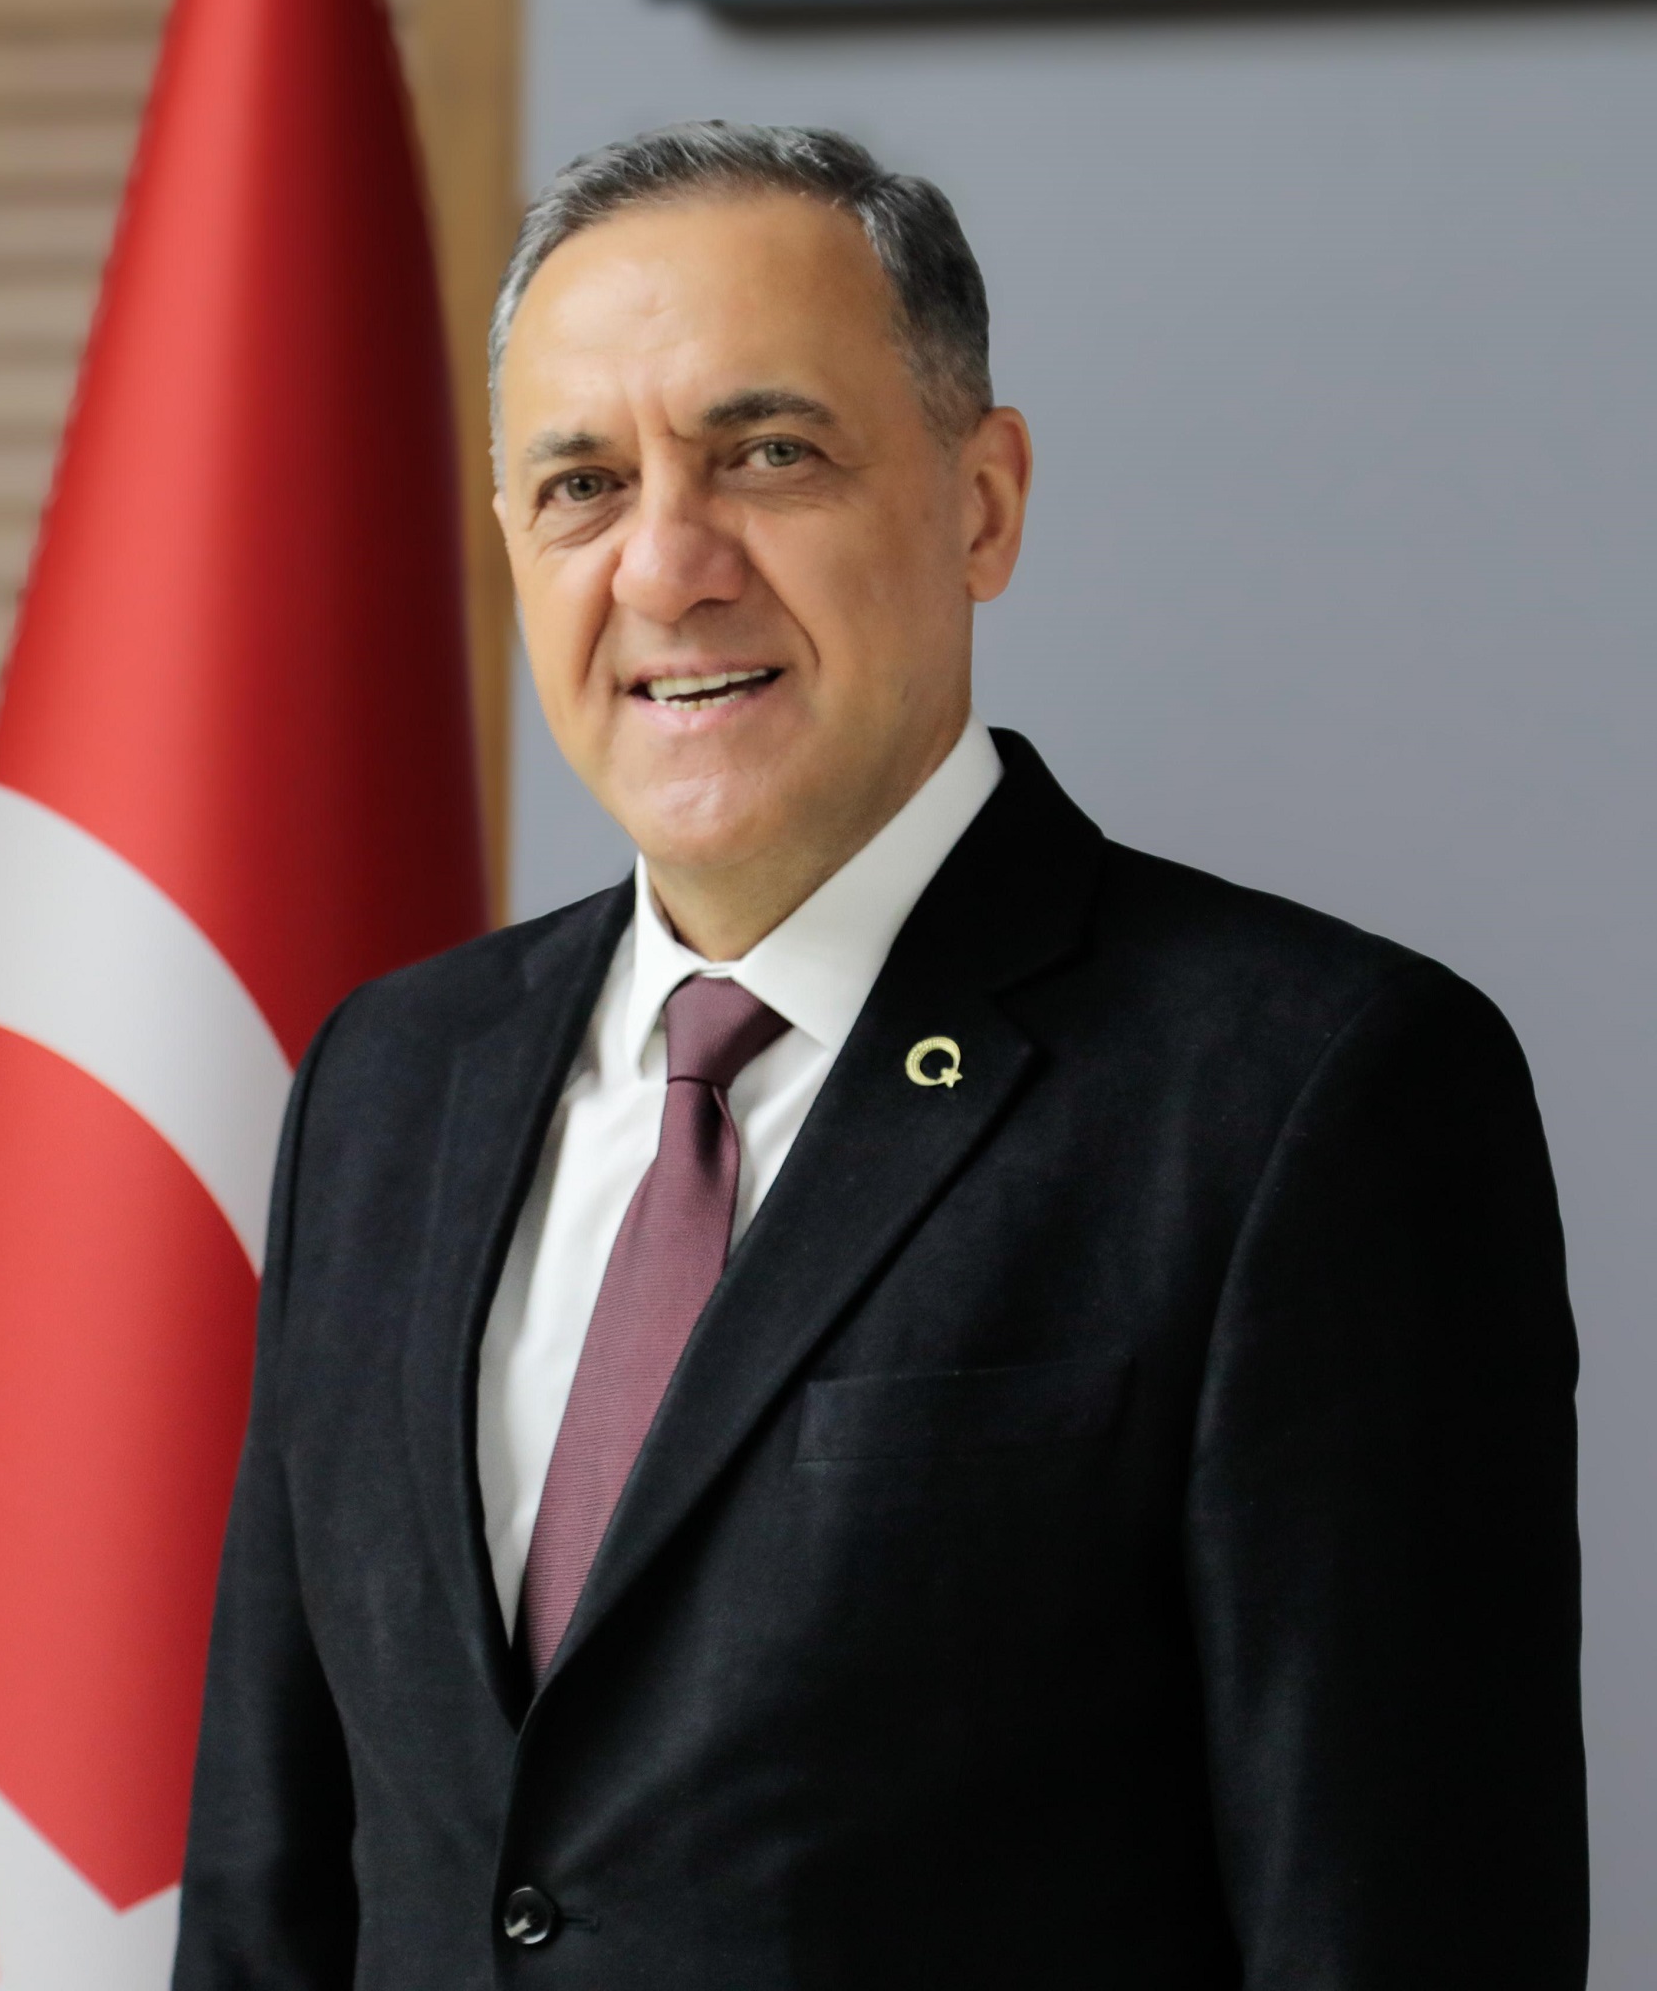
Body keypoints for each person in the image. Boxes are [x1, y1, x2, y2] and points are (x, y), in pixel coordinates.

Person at [171, 123, 1586, 1990]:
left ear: (983, 503)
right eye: (584, 485)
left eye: (769, 453)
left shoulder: (1309, 1098)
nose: (669, 567)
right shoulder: (387, 1082)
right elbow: (268, 1904)